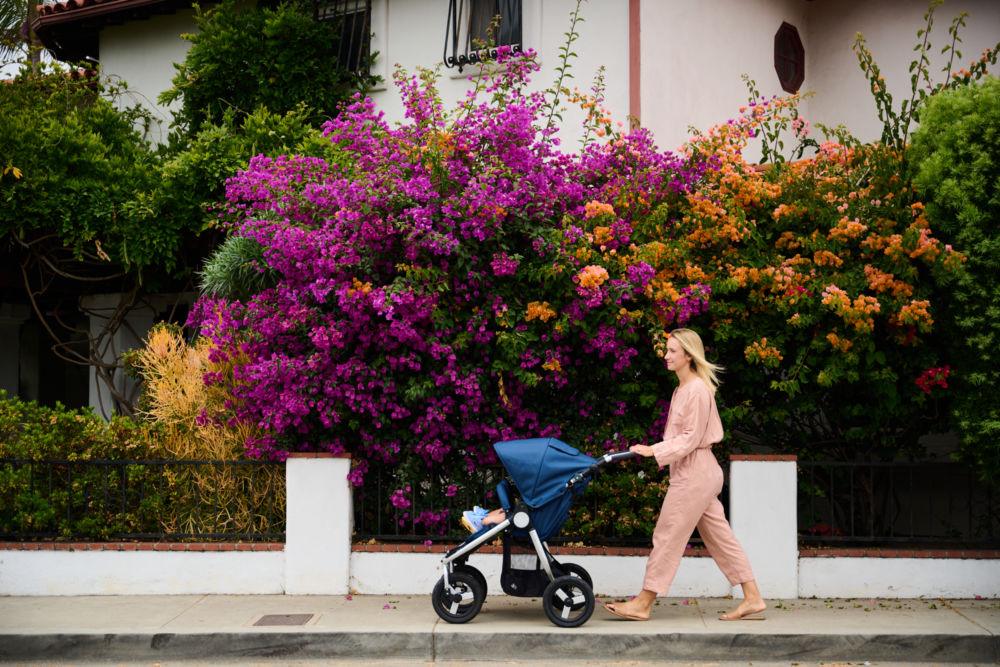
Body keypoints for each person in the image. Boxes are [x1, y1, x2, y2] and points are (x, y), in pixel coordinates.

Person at [603, 328, 767, 622]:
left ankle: (643, 602)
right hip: (697, 472)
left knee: (667, 535)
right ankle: (753, 598)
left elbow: (690, 438)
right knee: (720, 537)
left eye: (672, 351)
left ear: (689, 356)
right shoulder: (683, 389)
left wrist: (653, 450)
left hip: (695, 473)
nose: (666, 356)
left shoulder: (697, 391)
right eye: (666, 350)